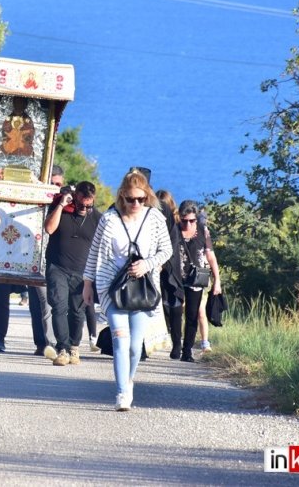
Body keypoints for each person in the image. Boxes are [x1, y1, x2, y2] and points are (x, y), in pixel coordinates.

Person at [83, 170, 171, 411]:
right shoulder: (109, 219)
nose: (135, 204)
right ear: (122, 196)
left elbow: (166, 250)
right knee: (120, 342)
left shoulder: (155, 218)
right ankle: (122, 392)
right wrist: (88, 283)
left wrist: (147, 264)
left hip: (143, 288)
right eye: (131, 199)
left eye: (140, 199)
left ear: (147, 197)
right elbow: (94, 252)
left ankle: (129, 380)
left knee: (135, 346)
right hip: (113, 287)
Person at [45, 181, 101, 366]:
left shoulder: (97, 218)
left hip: (83, 272)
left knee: (78, 312)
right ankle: (62, 348)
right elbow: (49, 229)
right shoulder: (61, 209)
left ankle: (74, 347)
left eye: (88, 205)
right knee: (59, 307)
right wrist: (61, 204)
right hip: (57, 267)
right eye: (81, 204)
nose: (84, 208)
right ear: (75, 197)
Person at [177, 200, 223, 362]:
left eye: (192, 221)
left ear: (196, 219)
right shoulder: (173, 231)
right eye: (184, 221)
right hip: (175, 278)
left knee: (192, 315)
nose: (188, 224)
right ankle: (176, 344)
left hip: (196, 279)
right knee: (174, 311)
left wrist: (217, 280)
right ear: (179, 218)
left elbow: (210, 256)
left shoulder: (203, 232)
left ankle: (186, 351)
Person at [28, 166, 62, 359]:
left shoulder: (63, 206)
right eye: (53, 184)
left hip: (52, 260)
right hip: (33, 257)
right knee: (36, 304)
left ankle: (50, 342)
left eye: (59, 184)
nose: (56, 189)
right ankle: (41, 342)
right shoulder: (40, 202)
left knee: (46, 301)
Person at [156, 189, 185, 359]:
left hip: (171, 269)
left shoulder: (176, 224)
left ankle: (177, 343)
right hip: (157, 267)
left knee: (173, 307)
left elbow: (173, 247)